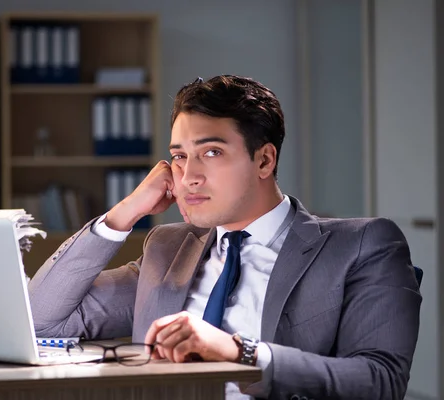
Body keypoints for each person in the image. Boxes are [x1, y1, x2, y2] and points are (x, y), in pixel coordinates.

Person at [28, 75, 421, 400]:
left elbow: (380, 382)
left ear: (264, 160)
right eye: (179, 156)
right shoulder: (167, 248)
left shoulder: (362, 244)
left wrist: (238, 353)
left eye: (211, 152)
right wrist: (122, 214)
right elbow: (42, 322)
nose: (189, 176)